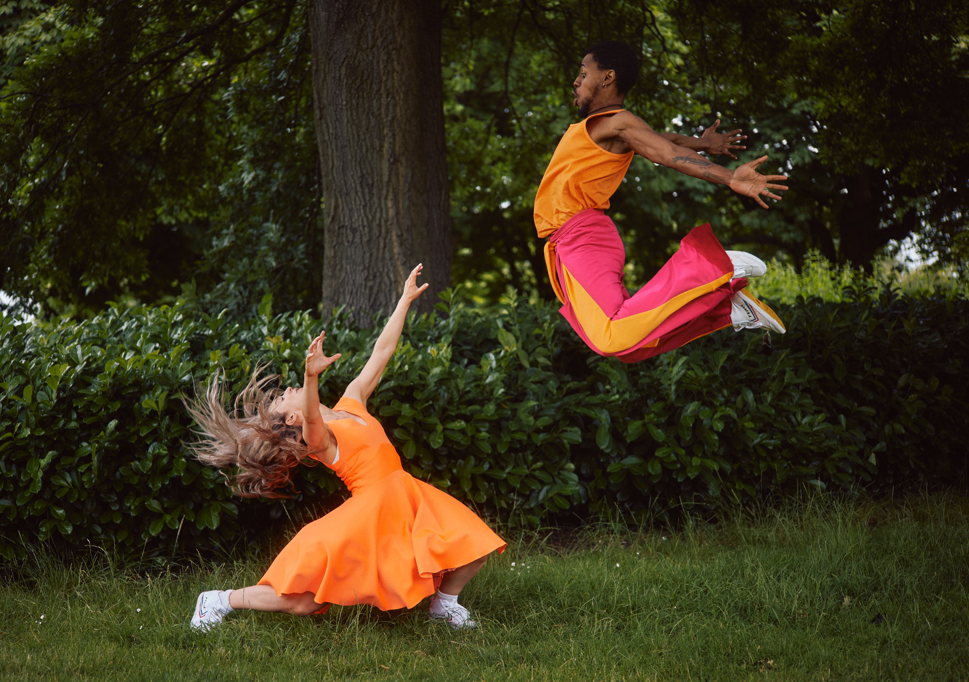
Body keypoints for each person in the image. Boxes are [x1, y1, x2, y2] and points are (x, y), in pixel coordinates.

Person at [185, 264, 505, 632]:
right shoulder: (319, 440)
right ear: (292, 421)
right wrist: (309, 376)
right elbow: (312, 418)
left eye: (285, 390)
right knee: (303, 602)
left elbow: (381, 353)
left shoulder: (351, 403)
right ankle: (218, 600)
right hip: (367, 516)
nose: (285, 391)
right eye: (280, 400)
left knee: (475, 544)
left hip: (407, 496)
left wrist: (403, 301)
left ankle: (444, 606)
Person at [534, 40, 789, 363]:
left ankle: (715, 267)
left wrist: (729, 177)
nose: (576, 81)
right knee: (628, 345)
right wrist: (702, 143)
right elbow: (664, 140)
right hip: (571, 240)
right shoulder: (606, 127)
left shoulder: (617, 122)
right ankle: (728, 306)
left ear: (607, 77)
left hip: (581, 234)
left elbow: (667, 154)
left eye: (583, 73)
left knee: (614, 336)